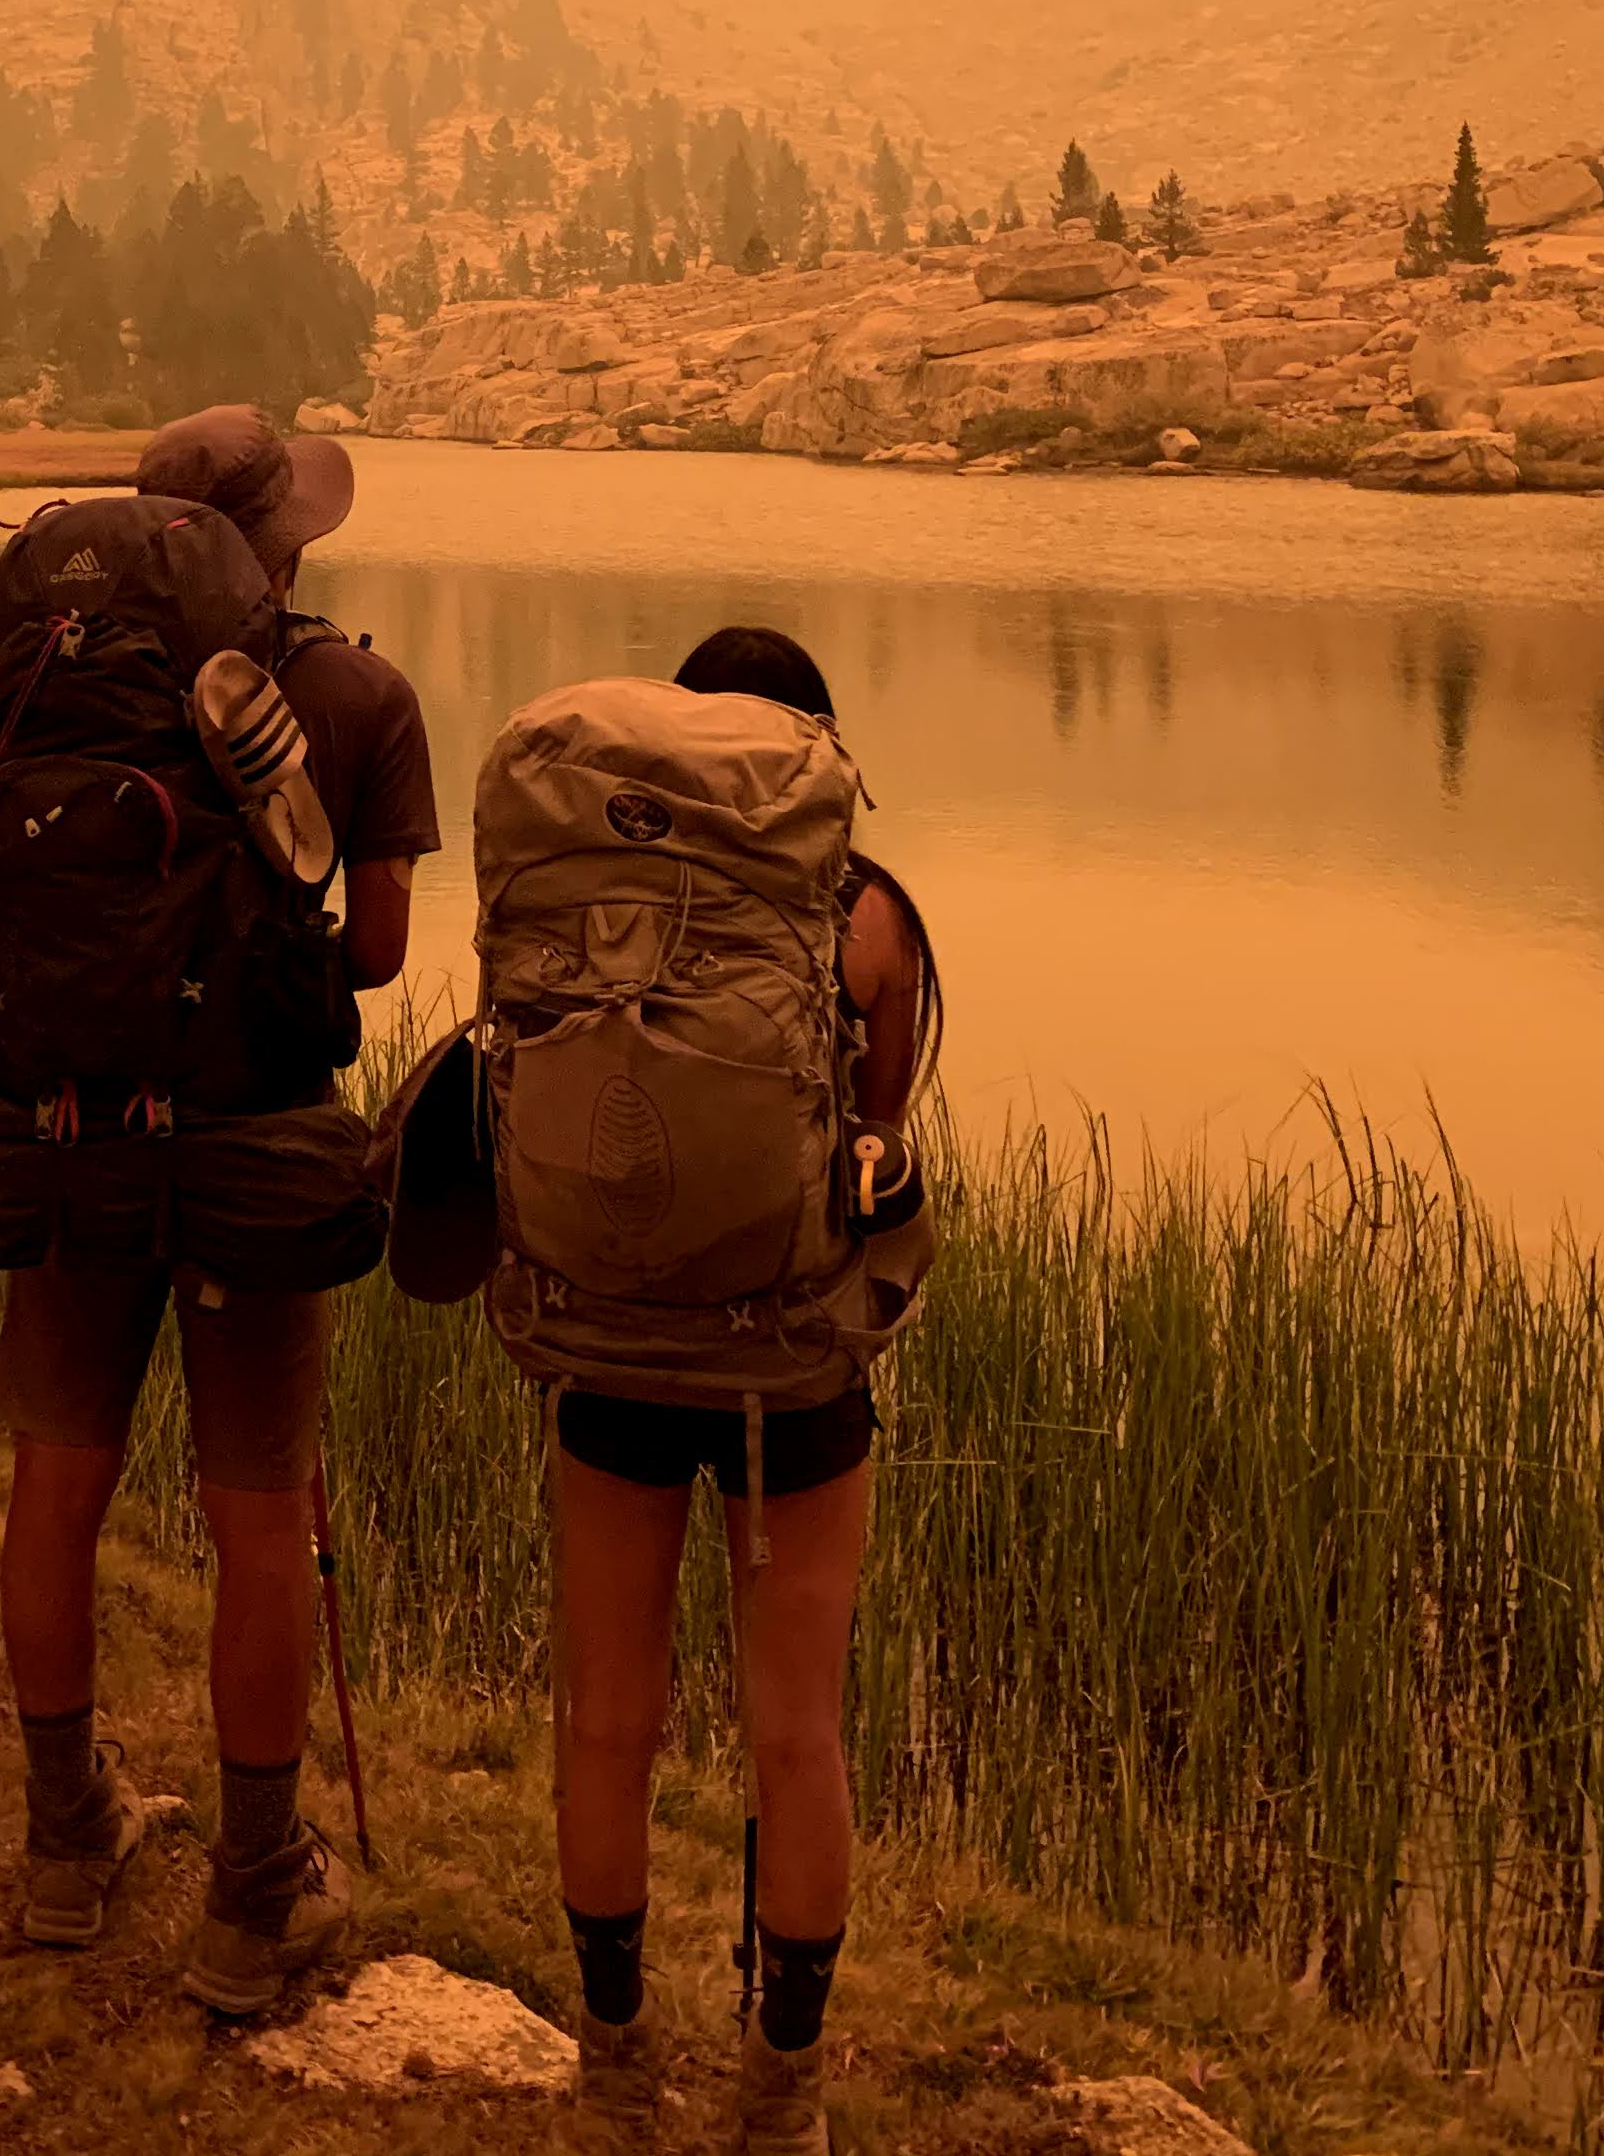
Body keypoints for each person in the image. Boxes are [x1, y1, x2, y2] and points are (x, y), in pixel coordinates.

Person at [0, 407, 436, 2008]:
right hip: (251, 1142)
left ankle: (64, 1845)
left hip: (66, 1131)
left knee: (57, 1486)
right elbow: (376, 953)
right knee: (258, 1519)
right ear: (284, 540)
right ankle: (255, 1894)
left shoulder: (31, 676)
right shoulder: (356, 696)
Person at [546, 625, 938, 2154]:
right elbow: (880, 1144)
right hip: (792, 1364)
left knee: (607, 1720)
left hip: (618, 1344)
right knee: (796, 1733)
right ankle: (780, 2088)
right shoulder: (871, 915)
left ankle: (612, 2067)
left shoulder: (599, 893)